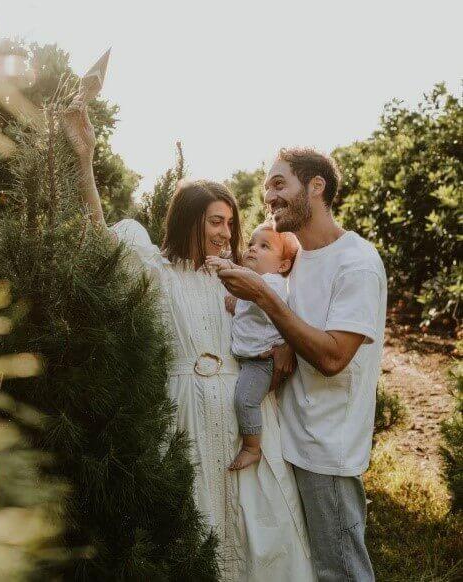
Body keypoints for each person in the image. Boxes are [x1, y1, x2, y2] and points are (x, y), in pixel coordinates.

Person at [62, 101, 316, 581]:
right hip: (182, 404)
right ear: (188, 220)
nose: (225, 232)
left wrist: (284, 343)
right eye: (214, 221)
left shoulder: (240, 276)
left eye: (229, 222)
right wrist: (83, 160)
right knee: (191, 517)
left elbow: (290, 301)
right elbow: (99, 237)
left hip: (245, 406)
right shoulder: (155, 270)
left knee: (259, 522)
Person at [217, 148, 387, 582]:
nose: (267, 196)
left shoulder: (357, 263)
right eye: (266, 186)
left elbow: (332, 357)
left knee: (340, 571)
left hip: (325, 449)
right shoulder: (296, 261)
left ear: (316, 187)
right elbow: (291, 329)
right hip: (286, 435)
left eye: (279, 184)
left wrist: (265, 300)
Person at [206, 223, 299, 471]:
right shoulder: (258, 285)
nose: (253, 249)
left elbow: (259, 293)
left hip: (262, 361)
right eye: (251, 244)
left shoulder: (274, 283)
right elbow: (253, 312)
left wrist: (228, 266)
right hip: (249, 357)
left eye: (264, 246)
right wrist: (236, 304)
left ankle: (252, 448)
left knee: (245, 400)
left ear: (282, 265)